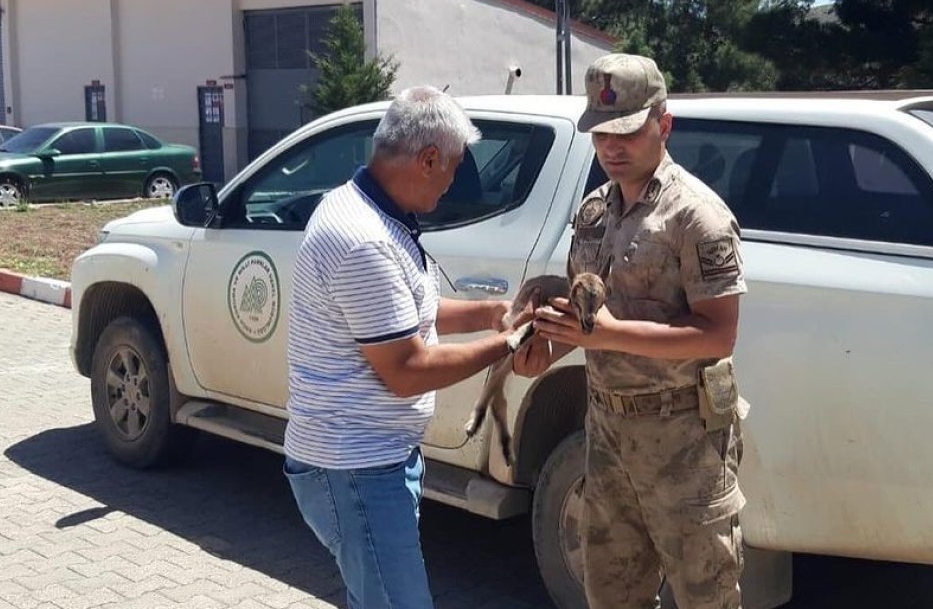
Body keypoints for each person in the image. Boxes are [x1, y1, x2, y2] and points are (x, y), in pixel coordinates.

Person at [514, 53, 748, 609]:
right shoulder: (595, 212)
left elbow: (718, 335)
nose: (611, 147)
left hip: (684, 441)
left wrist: (610, 335)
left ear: (663, 123)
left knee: (704, 598)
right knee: (612, 595)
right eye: (600, 134)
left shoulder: (697, 217)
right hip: (608, 434)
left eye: (626, 131)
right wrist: (544, 346)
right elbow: (589, 321)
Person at [283, 85, 529, 609]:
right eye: (455, 166)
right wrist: (506, 344)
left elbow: (406, 318)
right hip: (355, 469)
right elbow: (407, 368)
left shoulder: (370, 210)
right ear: (428, 158)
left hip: (370, 462)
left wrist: (487, 314)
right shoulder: (363, 239)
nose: (455, 181)